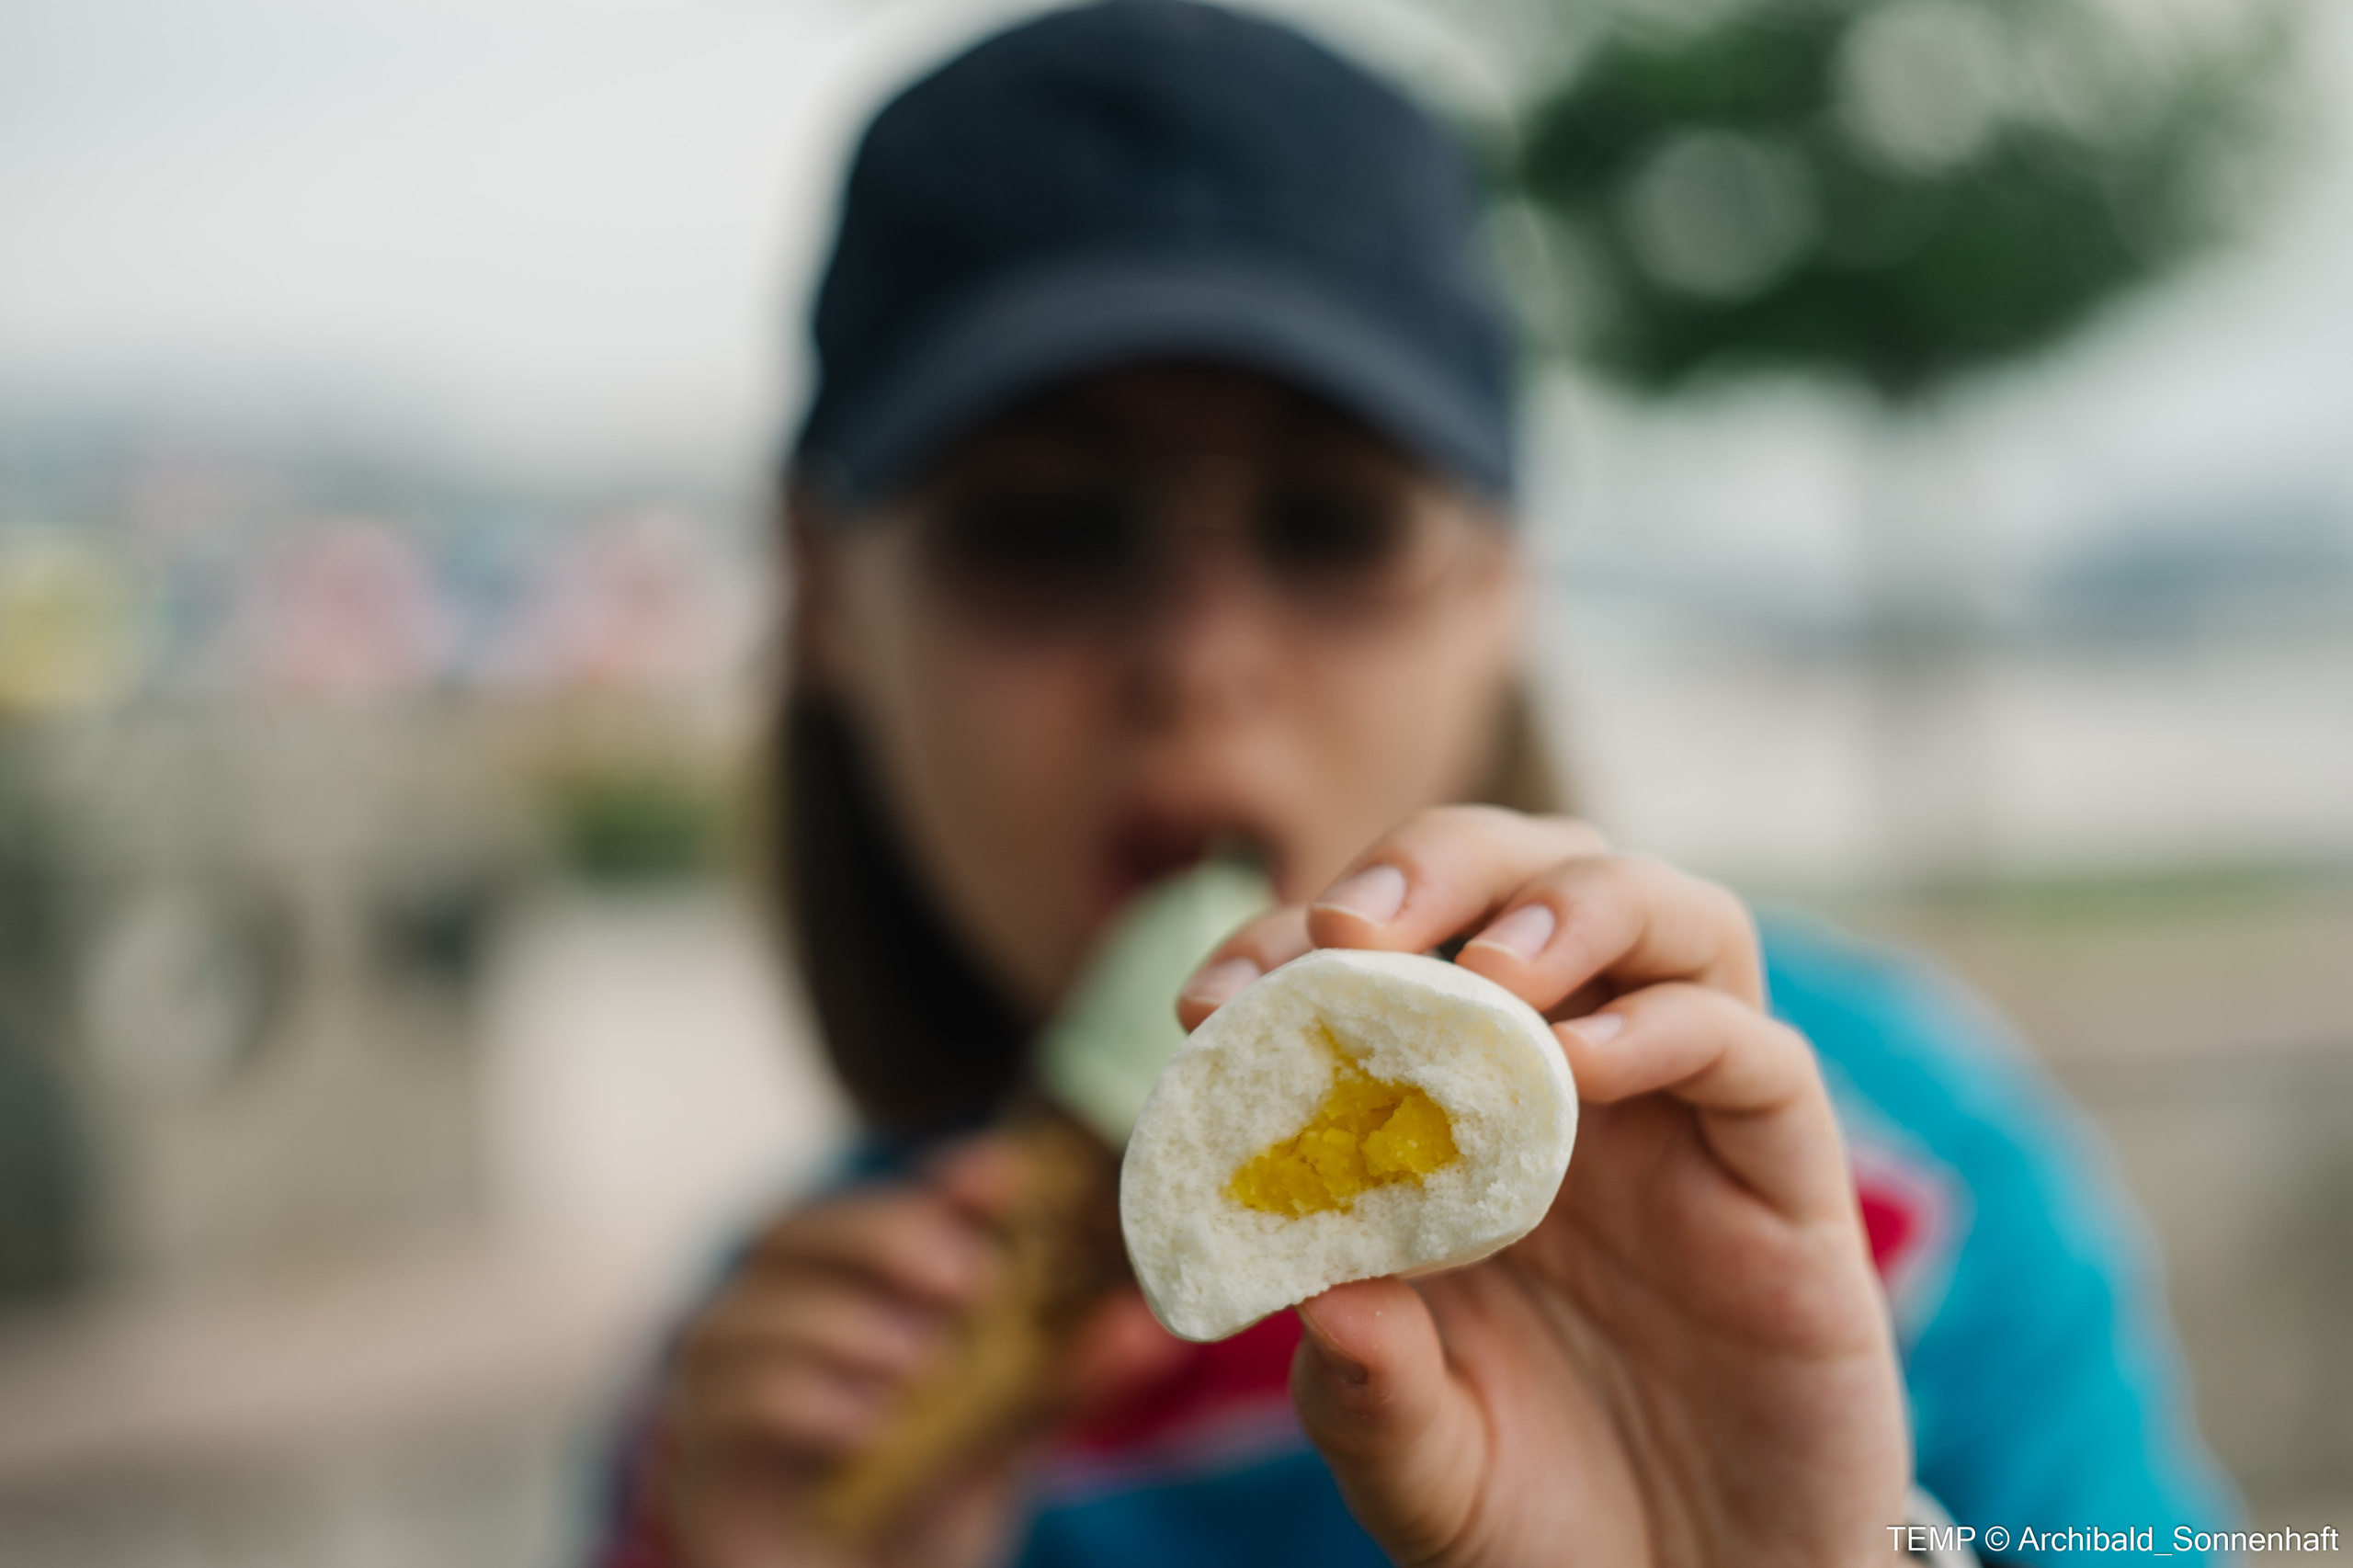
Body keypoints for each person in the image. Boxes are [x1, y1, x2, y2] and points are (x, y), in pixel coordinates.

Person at [594, 4, 2234, 1564]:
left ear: (1498, 586)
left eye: (1330, 519)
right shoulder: (756, 1425)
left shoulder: (1868, 1200)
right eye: (1042, 522)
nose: (1197, 654)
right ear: (822, 594)